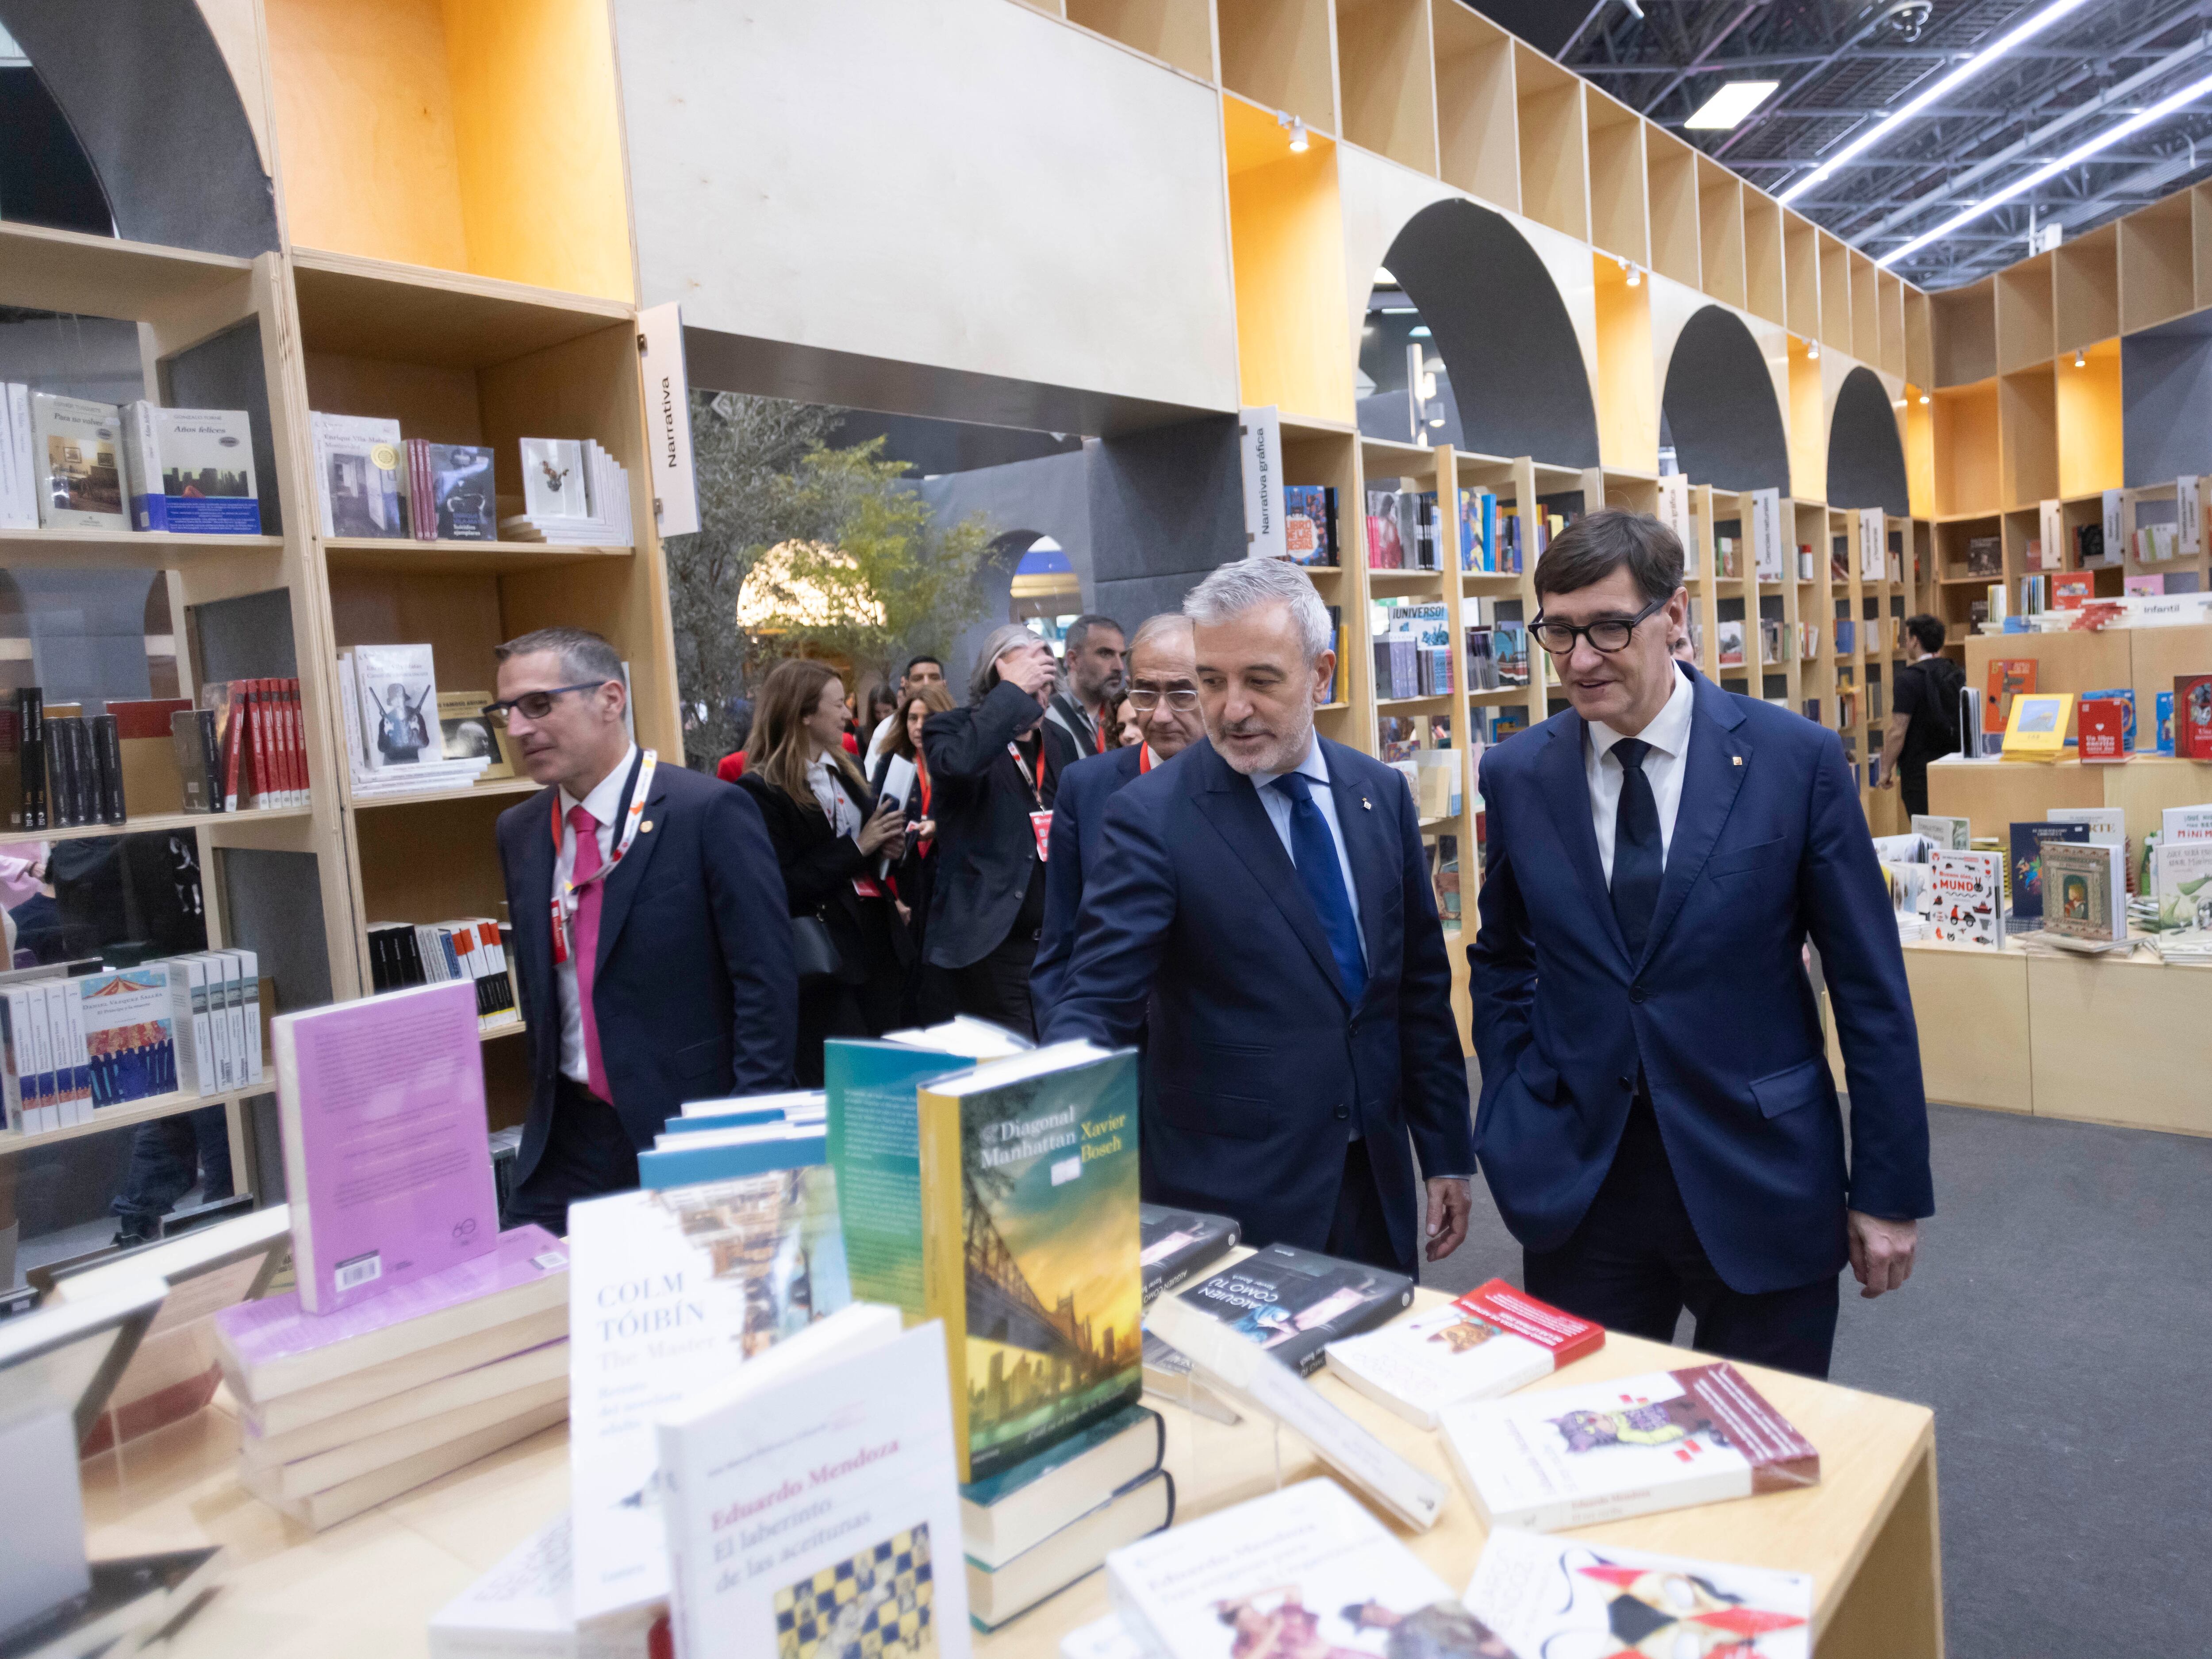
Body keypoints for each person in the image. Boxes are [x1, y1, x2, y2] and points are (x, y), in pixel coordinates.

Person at [1466, 511, 1930, 1379]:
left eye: (1607, 627)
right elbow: (1502, 955)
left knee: (1763, 1456)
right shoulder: (1519, 774)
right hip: (1582, 1181)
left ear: (1673, 616)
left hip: (1758, 1170)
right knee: (1581, 1448)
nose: (1578, 659)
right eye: (1556, 633)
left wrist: (1887, 1188)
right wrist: (1513, 1102)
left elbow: (1868, 984)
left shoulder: (1796, 760)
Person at [1042, 559, 1473, 1276]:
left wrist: (1446, 1153)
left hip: (1376, 1189)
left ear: (1321, 673)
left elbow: (1416, 993)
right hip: (1233, 1201)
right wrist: (1037, 1123)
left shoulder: (1378, 794)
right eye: (1212, 681)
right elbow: (1095, 998)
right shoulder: (1151, 817)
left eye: (1261, 680)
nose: (1231, 708)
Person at [491, 626, 796, 1231]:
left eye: (539, 704)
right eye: (506, 711)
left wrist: (747, 1130)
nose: (518, 728)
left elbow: (767, 984)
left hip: (688, 1130)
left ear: (610, 699)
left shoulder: (708, 813)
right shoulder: (520, 831)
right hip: (566, 1143)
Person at [738, 661, 910, 1086]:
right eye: (838, 706)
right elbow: (783, 884)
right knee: (851, 1086)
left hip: (879, 945)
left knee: (893, 1076)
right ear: (803, 714)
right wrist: (859, 847)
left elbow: (866, 846)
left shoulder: (846, 767)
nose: (849, 715)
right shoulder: (763, 790)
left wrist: (886, 848)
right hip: (826, 959)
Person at [1031, 613, 1204, 1018]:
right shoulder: (1086, 786)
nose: (1159, 714)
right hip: (1110, 1039)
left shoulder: (1248, 780)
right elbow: (1061, 940)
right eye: (1144, 693)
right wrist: (1065, 1047)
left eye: (1182, 694)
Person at [921, 624, 1081, 1037]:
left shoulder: (1058, 740)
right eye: (1026, 679)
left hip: (1058, 940)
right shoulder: (950, 729)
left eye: (1044, 678)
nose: (1038, 692)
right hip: (994, 941)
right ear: (997, 675)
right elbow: (959, 765)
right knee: (1020, 1058)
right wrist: (1009, 695)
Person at [870, 682, 957, 1022]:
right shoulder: (893, 764)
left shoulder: (955, 763)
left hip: (946, 879)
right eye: (912, 718)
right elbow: (878, 819)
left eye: (928, 717)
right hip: (906, 879)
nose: (919, 726)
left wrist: (939, 827)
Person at [1881, 614, 1962, 818]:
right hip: (1955, 766)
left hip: (1919, 772)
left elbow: (1898, 731)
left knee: (1926, 833)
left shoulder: (1908, 679)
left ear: (1915, 641)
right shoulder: (1958, 673)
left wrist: (1885, 770)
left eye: (1906, 637)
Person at [1044, 614, 1126, 757]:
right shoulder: (1047, 717)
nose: (1119, 666)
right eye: (1106, 654)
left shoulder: (1125, 716)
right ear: (1073, 659)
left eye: (1122, 656)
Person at [864, 655, 947, 764]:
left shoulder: (962, 728)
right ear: (906, 685)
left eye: (934, 678)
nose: (926, 683)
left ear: (944, 685)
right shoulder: (885, 731)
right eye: (918, 679)